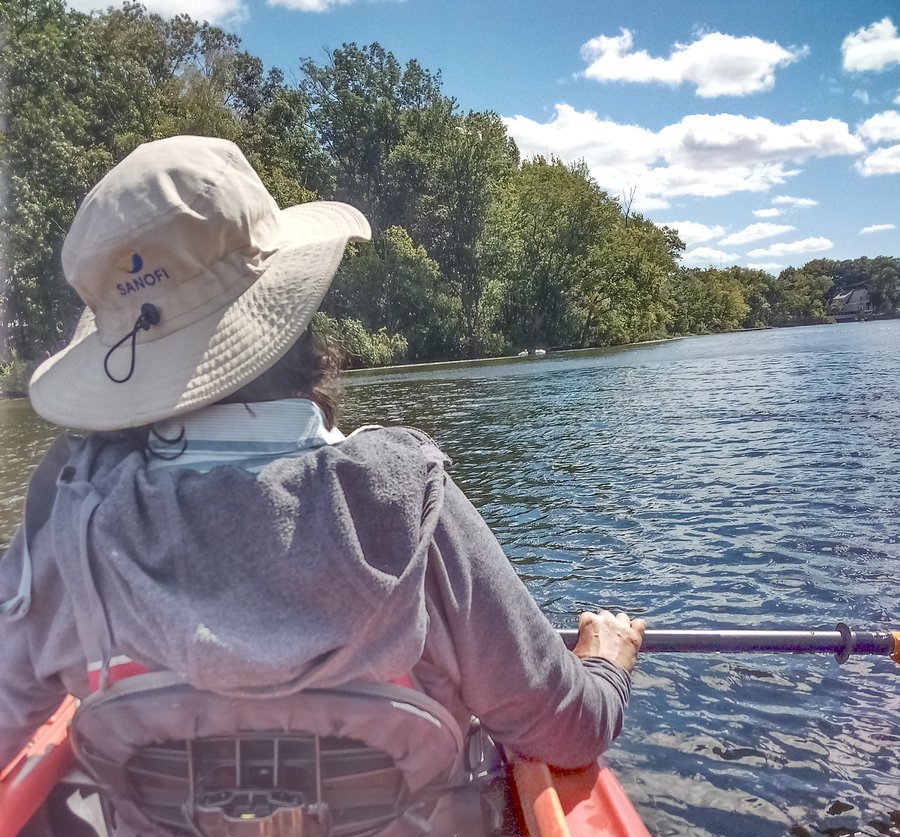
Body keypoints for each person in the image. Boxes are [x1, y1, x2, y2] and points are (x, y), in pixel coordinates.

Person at [0, 134, 645, 776]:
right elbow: (568, 731)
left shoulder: (68, 531)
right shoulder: (408, 504)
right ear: (292, 313)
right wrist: (605, 664)